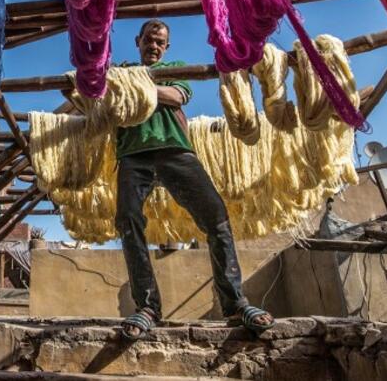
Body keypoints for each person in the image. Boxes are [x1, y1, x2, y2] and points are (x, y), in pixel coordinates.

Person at [115, 19, 274, 340]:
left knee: (216, 217)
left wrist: (132, 86)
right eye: (149, 39)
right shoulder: (122, 69)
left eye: (160, 41)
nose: (154, 46)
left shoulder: (172, 68)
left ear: (167, 47)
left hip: (175, 150)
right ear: (138, 40)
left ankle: (235, 303)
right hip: (133, 154)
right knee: (127, 221)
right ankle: (147, 307)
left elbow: (176, 97)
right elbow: (100, 97)